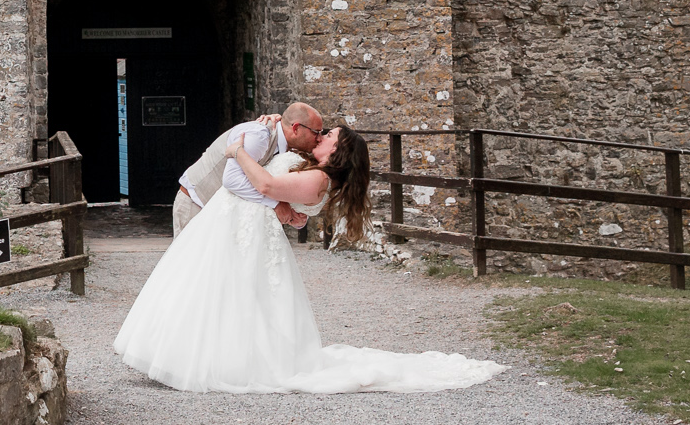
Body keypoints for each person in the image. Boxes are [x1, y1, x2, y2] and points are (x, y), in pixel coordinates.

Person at [113, 125, 506, 393]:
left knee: (228, 297)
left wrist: (236, 151)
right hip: (235, 227)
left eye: (328, 134)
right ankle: (190, 357)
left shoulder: (319, 179)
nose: (321, 135)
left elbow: (265, 183)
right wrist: (271, 129)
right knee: (215, 293)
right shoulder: (311, 168)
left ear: (337, 149)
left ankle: (213, 362)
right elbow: (278, 177)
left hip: (245, 234)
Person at [172, 102, 324, 236]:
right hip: (197, 203)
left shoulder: (294, 152)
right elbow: (231, 180)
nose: (319, 138)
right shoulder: (260, 135)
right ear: (296, 128)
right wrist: (276, 205)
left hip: (228, 215)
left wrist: (294, 215)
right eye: (316, 132)